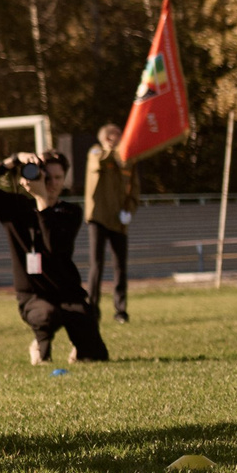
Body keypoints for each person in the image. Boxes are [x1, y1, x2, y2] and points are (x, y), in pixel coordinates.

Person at [0, 149, 107, 362]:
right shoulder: (15, 208)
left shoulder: (71, 212)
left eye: (58, 178)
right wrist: (13, 161)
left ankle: (79, 345)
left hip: (68, 293)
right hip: (34, 295)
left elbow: (54, 247)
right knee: (47, 314)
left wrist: (42, 200)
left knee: (95, 355)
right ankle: (40, 345)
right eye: (46, 177)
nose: (51, 183)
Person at [83, 123, 137, 323]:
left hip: (119, 219)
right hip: (98, 217)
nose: (121, 137)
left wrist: (129, 210)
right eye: (116, 135)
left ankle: (120, 310)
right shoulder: (96, 152)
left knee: (120, 266)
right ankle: (92, 308)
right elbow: (100, 162)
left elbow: (134, 186)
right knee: (96, 265)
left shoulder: (128, 159)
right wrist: (112, 148)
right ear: (107, 137)